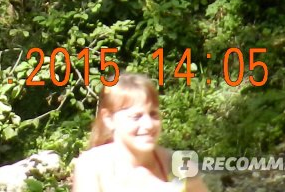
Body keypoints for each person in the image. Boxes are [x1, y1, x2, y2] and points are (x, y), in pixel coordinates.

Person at [70, 73, 208, 192]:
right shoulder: (92, 167)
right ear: (108, 119)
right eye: (136, 117)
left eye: (153, 114)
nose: (148, 125)